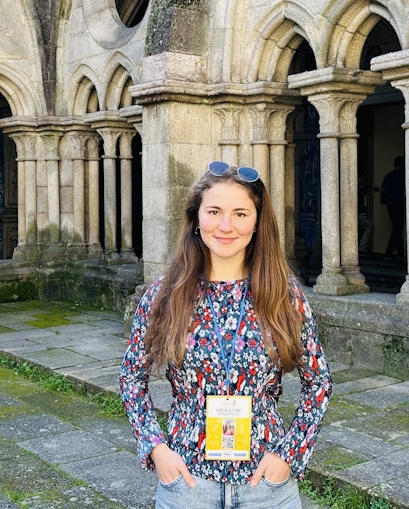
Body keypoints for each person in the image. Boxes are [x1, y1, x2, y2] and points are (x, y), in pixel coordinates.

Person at [120, 161, 332, 509]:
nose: (225, 226)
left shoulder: (283, 293)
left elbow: (319, 382)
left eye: (240, 214)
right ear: (196, 218)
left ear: (257, 222)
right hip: (187, 481)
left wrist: (289, 455)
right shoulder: (165, 294)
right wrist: (156, 449)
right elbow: (131, 377)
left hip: (265, 484)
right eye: (214, 211)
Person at [380, 156, 405, 259]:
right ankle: (389, 252)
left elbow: (383, 191)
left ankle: (400, 252)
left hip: (390, 205)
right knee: (398, 228)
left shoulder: (388, 176)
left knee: (397, 227)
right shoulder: (404, 175)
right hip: (400, 205)